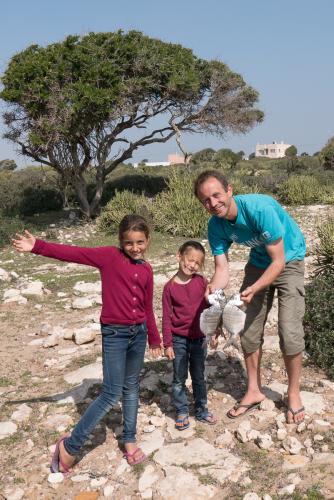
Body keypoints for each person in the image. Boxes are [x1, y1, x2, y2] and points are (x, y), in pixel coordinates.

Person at [12, 215, 162, 471]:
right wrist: (37, 246)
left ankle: (129, 440)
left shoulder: (147, 269)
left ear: (147, 241)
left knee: (132, 387)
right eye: (129, 243)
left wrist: (155, 337)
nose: (135, 248)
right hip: (116, 334)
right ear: (120, 242)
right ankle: (70, 445)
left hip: (139, 334)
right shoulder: (109, 257)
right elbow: (74, 253)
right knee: (111, 392)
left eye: (140, 242)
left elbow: (147, 305)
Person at [194, 170, 306, 423]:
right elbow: (222, 269)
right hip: (257, 263)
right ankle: (254, 390)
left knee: (289, 332)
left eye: (217, 195)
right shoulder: (216, 226)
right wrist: (213, 288)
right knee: (249, 331)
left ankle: (294, 392)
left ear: (229, 190)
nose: (213, 204)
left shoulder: (259, 209)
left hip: (289, 259)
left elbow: (278, 262)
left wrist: (255, 288)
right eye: (206, 200)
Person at [162, 241, 217, 429]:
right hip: (178, 339)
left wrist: (214, 331)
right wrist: (167, 343)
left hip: (200, 337)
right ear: (179, 256)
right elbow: (167, 317)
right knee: (179, 377)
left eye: (197, 263)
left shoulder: (201, 282)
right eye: (190, 260)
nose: (192, 265)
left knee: (199, 375)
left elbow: (211, 308)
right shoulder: (169, 288)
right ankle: (182, 410)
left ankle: (201, 409)